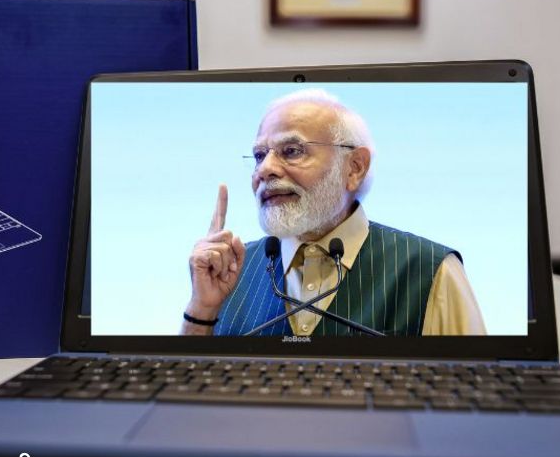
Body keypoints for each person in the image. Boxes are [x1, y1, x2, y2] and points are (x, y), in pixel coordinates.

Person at [180, 89, 486, 337]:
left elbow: (470, 387)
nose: (265, 169)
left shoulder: (430, 270)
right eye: (260, 155)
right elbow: (189, 389)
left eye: (292, 151)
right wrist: (201, 309)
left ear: (354, 168)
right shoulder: (228, 271)